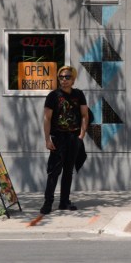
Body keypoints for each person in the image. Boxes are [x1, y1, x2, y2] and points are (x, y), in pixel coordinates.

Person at [40, 65, 89, 214]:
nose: (64, 80)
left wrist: (81, 134)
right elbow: (47, 118)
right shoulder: (53, 96)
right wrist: (47, 139)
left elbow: (84, 115)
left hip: (73, 137)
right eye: (61, 77)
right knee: (54, 171)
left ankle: (64, 201)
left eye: (67, 77)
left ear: (73, 79)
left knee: (68, 171)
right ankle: (48, 202)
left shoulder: (79, 94)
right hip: (58, 137)